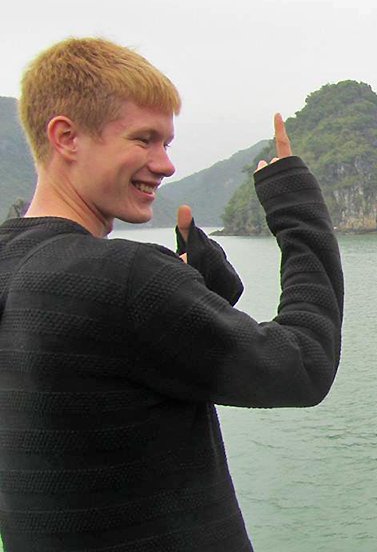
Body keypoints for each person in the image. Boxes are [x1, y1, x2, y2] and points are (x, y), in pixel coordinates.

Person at [0, 38, 344, 551]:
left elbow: (99, 365)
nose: (165, 164)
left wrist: (190, 290)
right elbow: (302, 365)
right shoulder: (122, 278)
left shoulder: (19, 266)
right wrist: (299, 212)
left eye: (167, 143)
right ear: (67, 137)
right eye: (144, 139)